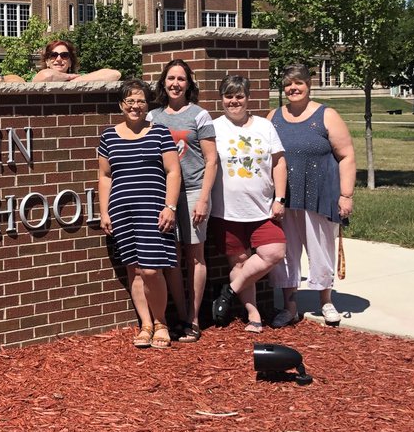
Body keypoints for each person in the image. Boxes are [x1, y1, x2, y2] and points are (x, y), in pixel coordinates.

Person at [268, 62, 357, 327]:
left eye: (298, 83)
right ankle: (289, 306)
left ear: (309, 85)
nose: (293, 88)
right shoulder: (274, 117)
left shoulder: (326, 115)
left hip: (319, 194)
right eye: (288, 85)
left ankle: (326, 301)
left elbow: (347, 155)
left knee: (320, 250)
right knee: (287, 252)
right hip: (285, 197)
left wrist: (346, 195)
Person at [97, 79, 181, 349]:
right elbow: (105, 176)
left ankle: (161, 322)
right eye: (130, 101)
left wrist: (170, 207)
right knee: (134, 270)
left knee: (152, 269)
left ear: (148, 104)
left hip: (154, 211)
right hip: (122, 211)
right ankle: (145, 325)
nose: (135, 106)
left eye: (141, 101)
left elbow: (173, 172)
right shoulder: (109, 136)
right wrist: (104, 212)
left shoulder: (160, 132)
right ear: (121, 104)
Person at [209, 74, 288, 334]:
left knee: (274, 251)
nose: (234, 101)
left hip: (262, 208)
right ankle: (253, 313)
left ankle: (228, 291)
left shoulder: (264, 127)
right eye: (229, 96)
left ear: (248, 98)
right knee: (241, 264)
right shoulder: (214, 127)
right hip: (227, 210)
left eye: (239, 96)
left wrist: (279, 198)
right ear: (222, 99)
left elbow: (278, 162)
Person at [147, 59, 218, 342]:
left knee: (195, 255)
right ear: (163, 82)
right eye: (171, 78)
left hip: (193, 192)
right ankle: (179, 313)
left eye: (181, 79)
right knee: (172, 258)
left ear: (189, 84)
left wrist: (203, 199)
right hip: (167, 195)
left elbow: (211, 161)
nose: (175, 83)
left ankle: (194, 318)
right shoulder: (154, 117)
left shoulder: (200, 115)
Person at [32, 37, 122, 83]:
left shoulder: (81, 77)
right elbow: (45, 76)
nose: (59, 59)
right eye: (53, 55)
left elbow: (115, 74)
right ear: (47, 61)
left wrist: (76, 81)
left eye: (64, 55)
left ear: (70, 62)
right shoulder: (35, 76)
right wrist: (68, 78)